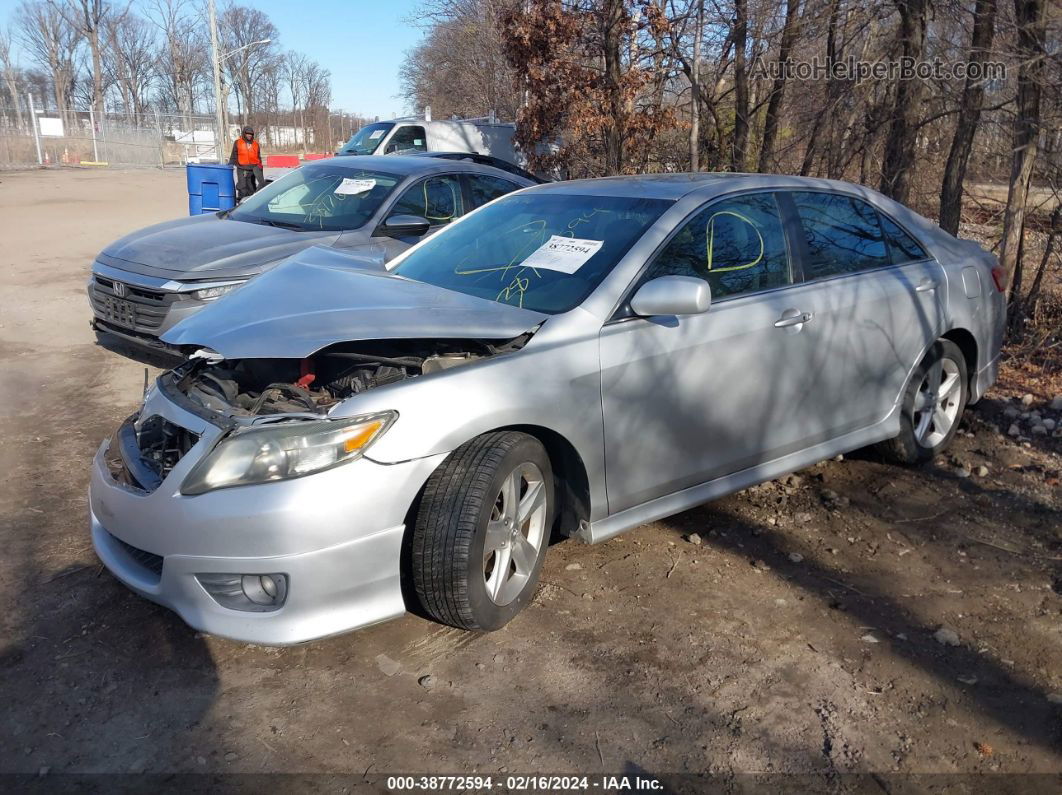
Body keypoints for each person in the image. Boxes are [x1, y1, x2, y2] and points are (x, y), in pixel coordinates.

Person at [228, 125, 264, 200]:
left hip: (253, 168)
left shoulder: (256, 144)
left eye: (251, 134)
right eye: (247, 133)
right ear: (244, 133)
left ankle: (250, 202)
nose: (249, 135)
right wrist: (230, 164)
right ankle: (241, 201)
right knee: (242, 187)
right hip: (241, 168)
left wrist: (260, 166)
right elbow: (233, 155)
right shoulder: (237, 142)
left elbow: (258, 156)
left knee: (251, 188)